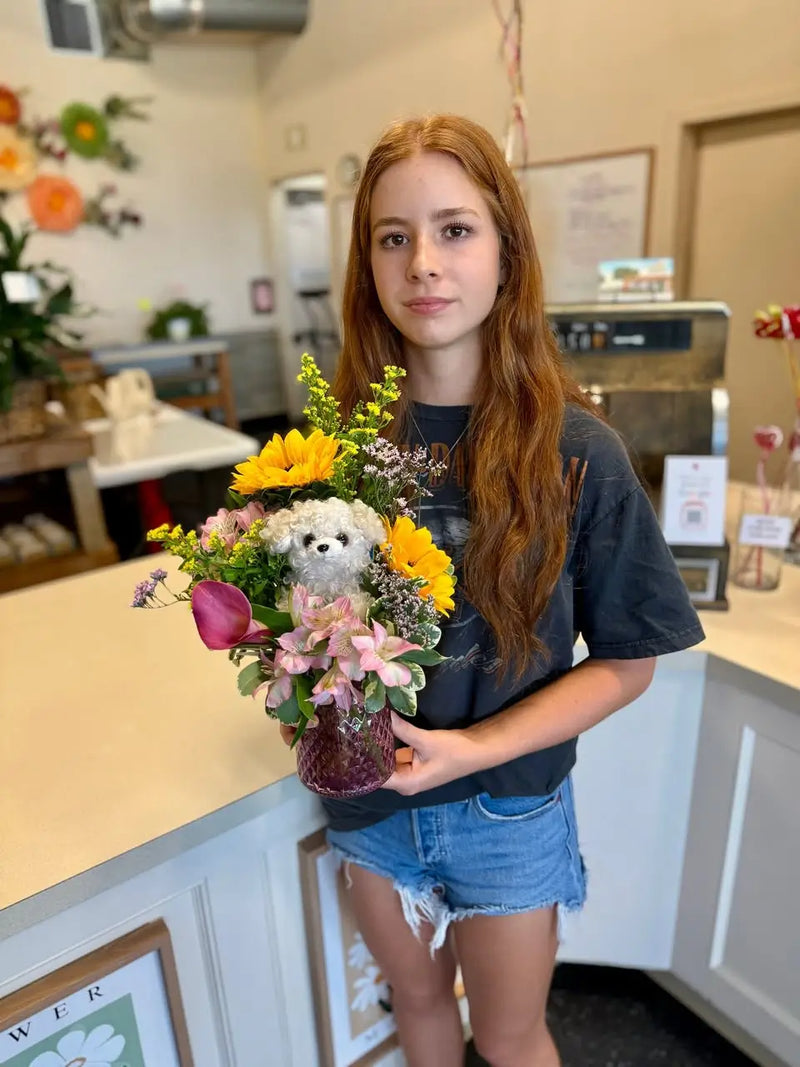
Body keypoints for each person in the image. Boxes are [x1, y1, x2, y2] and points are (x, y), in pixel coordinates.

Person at [283, 114, 705, 1067]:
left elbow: (628, 665)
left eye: (455, 229)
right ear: (367, 263)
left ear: (508, 255)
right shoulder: (338, 441)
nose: (424, 262)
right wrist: (299, 692)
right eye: (394, 237)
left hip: (509, 809)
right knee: (419, 1013)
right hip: (369, 809)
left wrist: (471, 747)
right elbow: (302, 619)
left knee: (511, 1036)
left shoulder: (578, 450)